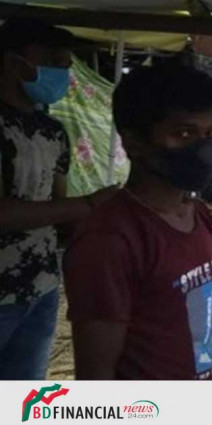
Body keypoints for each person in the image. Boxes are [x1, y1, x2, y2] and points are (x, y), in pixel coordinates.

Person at [63, 63, 212, 380]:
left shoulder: (197, 214)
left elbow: (211, 316)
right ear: (134, 143)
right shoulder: (109, 240)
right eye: (183, 133)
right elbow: (96, 371)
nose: (203, 147)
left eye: (209, 133)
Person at [0, 19, 118, 380]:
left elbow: (57, 207)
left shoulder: (52, 130)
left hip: (42, 284)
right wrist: (92, 204)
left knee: (24, 391)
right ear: (14, 62)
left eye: (67, 64)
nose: (63, 71)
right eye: (53, 60)